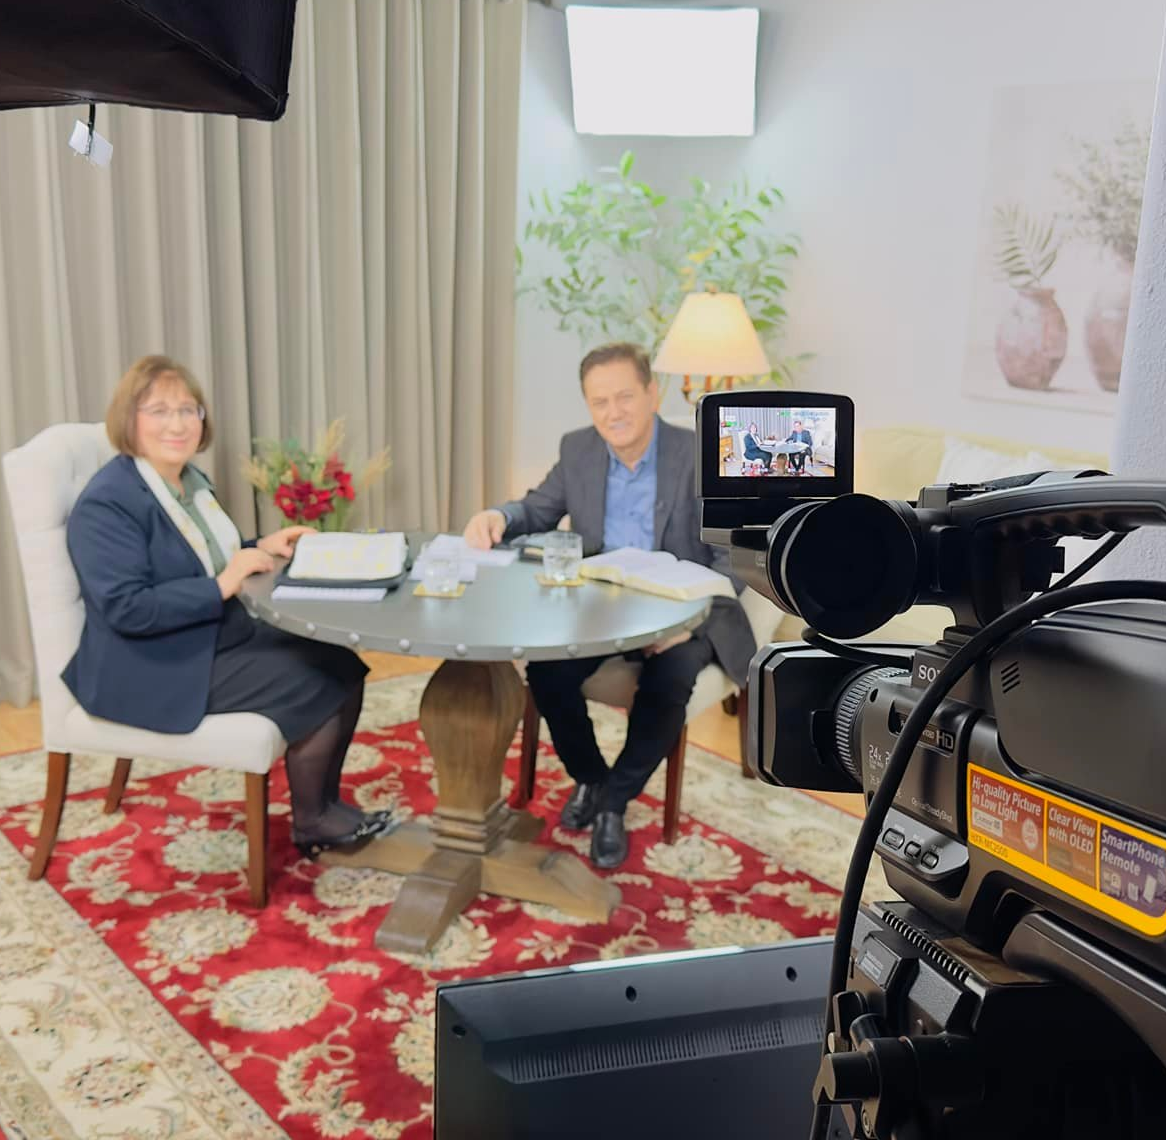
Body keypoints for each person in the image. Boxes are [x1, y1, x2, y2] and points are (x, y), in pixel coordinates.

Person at [63, 355, 391, 857]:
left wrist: (264, 544)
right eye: (158, 411)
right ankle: (314, 819)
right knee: (315, 677)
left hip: (201, 633)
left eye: (187, 409)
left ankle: (322, 808)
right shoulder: (107, 504)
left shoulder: (187, 484)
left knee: (339, 658)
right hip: (148, 664)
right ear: (129, 421)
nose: (177, 423)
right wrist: (223, 584)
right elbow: (127, 608)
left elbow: (209, 558)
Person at [463, 342, 754, 870]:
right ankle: (594, 781)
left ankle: (614, 803)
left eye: (624, 397)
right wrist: (499, 517)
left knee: (668, 683)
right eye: (599, 402)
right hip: (600, 607)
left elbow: (733, 555)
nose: (613, 413)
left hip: (683, 612)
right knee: (547, 673)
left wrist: (688, 618)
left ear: (652, 392)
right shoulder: (579, 450)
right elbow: (536, 507)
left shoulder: (702, 453)